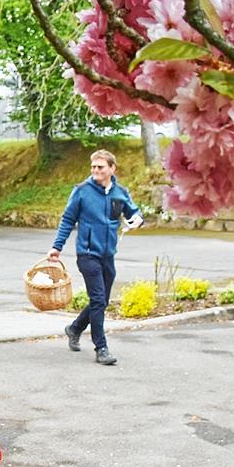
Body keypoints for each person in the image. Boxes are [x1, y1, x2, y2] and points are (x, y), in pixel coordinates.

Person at [47, 149, 143, 365]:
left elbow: (134, 213)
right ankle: (101, 348)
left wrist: (137, 220)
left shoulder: (120, 192)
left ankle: (74, 328)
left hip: (108, 255)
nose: (95, 171)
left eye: (100, 167)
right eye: (93, 167)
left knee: (101, 301)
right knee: (99, 300)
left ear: (112, 169)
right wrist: (56, 247)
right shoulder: (81, 191)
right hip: (87, 254)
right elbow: (67, 220)